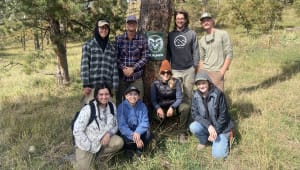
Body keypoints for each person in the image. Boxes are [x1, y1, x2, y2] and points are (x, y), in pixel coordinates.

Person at [73, 84, 124, 170]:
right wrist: (90, 147)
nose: (104, 97)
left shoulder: (112, 106)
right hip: (87, 144)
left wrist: (109, 133)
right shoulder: (88, 109)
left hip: (103, 139)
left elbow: (116, 124)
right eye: (101, 94)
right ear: (96, 95)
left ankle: (100, 157)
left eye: (106, 94)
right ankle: (81, 158)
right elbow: (77, 131)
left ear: (110, 95)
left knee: (119, 142)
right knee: (86, 168)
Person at [189, 71, 234, 159]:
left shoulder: (218, 94)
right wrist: (209, 126)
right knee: (193, 126)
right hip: (209, 126)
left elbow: (223, 116)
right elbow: (195, 114)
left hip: (221, 128)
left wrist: (216, 131)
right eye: (198, 84)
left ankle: (227, 137)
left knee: (218, 156)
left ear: (208, 83)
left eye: (203, 83)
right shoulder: (196, 95)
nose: (201, 86)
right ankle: (204, 140)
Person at [150, 59, 190, 143]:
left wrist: (172, 107)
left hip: (173, 106)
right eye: (163, 72)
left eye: (168, 72)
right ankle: (158, 132)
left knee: (185, 108)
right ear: (160, 73)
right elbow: (153, 100)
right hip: (161, 107)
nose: (166, 74)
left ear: (170, 73)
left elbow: (179, 98)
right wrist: (158, 108)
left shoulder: (176, 82)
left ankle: (181, 132)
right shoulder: (155, 84)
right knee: (154, 116)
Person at [81, 19, 118, 104]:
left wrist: (114, 86)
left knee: (106, 111)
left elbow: (114, 68)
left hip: (107, 87)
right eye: (101, 28)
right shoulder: (88, 45)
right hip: (92, 86)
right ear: (97, 29)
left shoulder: (111, 47)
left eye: (106, 28)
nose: (104, 30)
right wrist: (86, 85)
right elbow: (84, 66)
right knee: (91, 111)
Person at [167, 10, 200, 104]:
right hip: (174, 70)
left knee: (188, 96)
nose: (180, 20)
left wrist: (195, 67)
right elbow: (167, 53)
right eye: (178, 18)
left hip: (189, 70)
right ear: (175, 20)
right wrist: (168, 68)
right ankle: (175, 116)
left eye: (182, 18)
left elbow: (196, 51)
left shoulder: (192, 33)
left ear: (185, 20)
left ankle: (188, 117)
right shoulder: (170, 35)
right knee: (173, 94)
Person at [114, 15, 149, 105]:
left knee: (138, 100)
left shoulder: (142, 39)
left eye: (133, 22)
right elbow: (115, 56)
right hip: (122, 77)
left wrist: (133, 68)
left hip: (136, 77)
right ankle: (121, 118)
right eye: (129, 23)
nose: (131, 24)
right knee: (120, 101)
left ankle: (137, 118)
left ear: (136, 24)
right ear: (126, 25)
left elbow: (145, 57)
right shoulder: (119, 39)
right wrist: (123, 68)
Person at [198, 12, 233, 91]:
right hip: (205, 72)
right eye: (203, 21)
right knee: (205, 98)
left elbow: (229, 53)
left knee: (217, 98)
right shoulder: (202, 40)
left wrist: (222, 71)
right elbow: (201, 59)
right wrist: (200, 74)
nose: (206, 22)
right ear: (201, 24)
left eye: (208, 20)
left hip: (217, 71)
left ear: (212, 21)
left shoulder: (223, 34)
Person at [117, 86, 152, 158]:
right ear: (126, 96)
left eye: (135, 94)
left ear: (138, 96)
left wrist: (138, 132)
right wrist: (134, 136)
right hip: (128, 132)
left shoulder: (142, 106)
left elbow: (145, 122)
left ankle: (140, 149)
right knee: (125, 138)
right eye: (130, 94)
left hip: (138, 131)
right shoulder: (121, 107)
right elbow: (122, 126)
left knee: (148, 134)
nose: (133, 96)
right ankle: (130, 149)